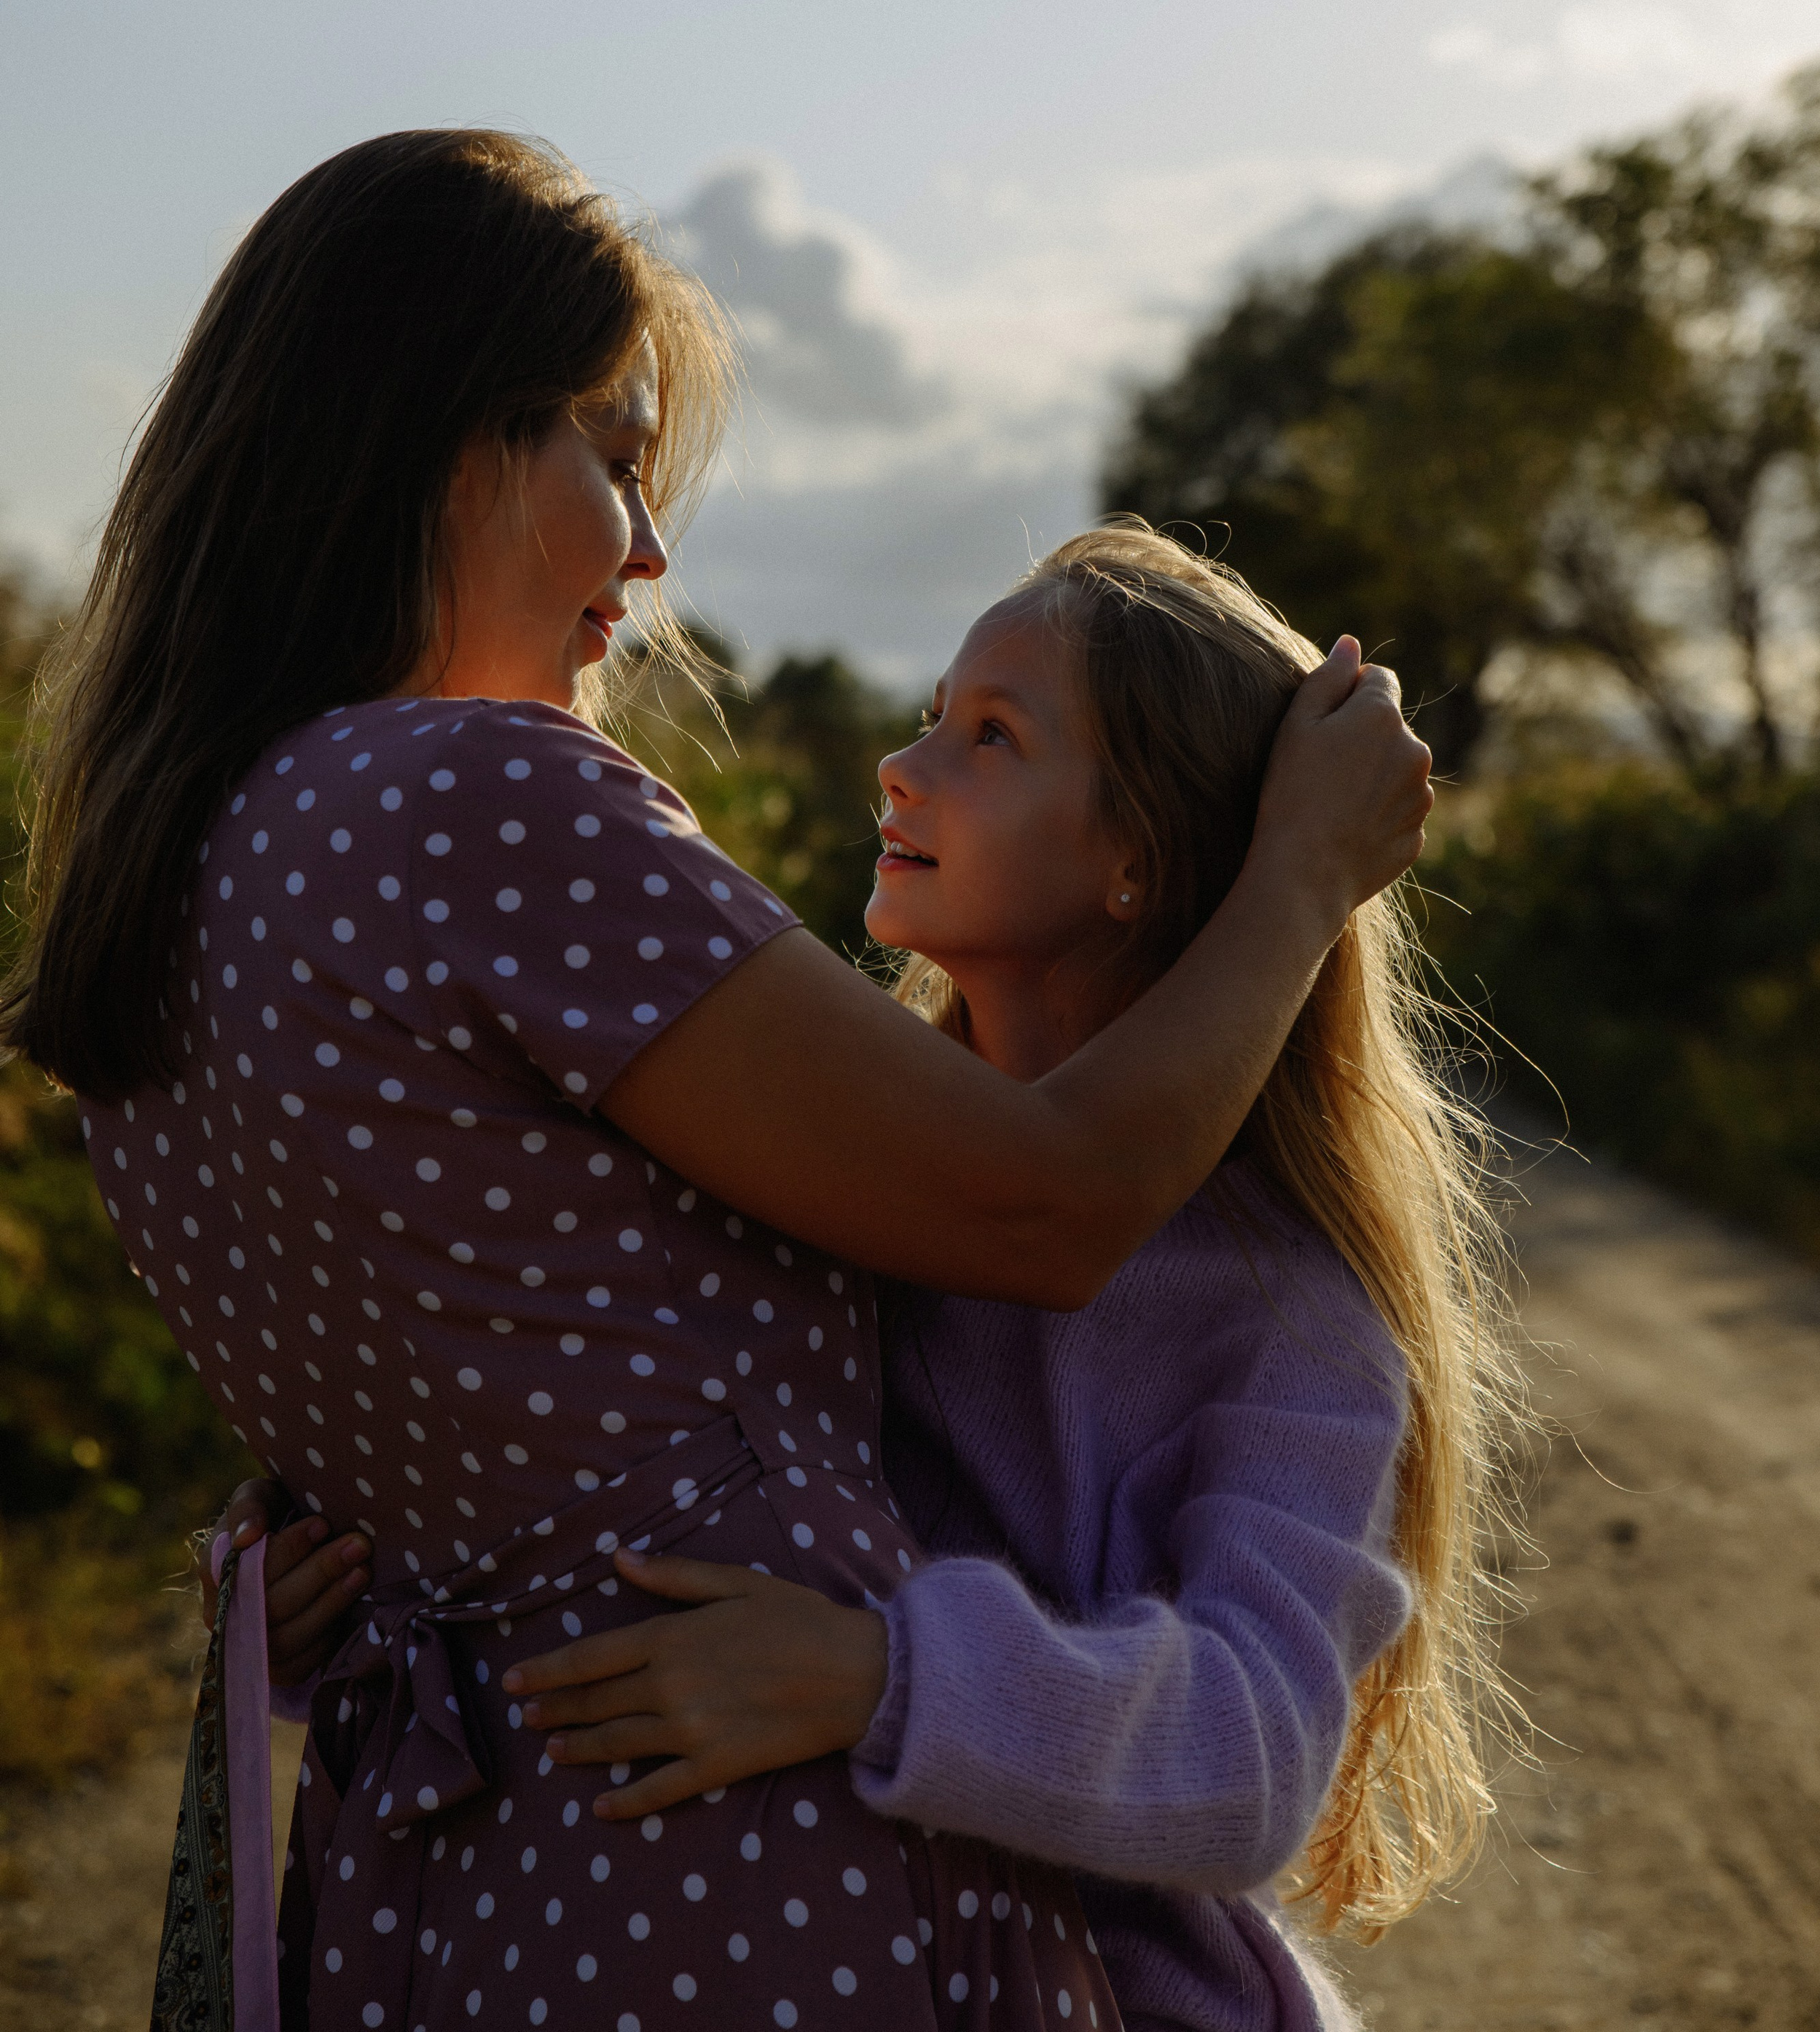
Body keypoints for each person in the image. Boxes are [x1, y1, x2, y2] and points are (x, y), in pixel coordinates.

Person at [6, 130, 1431, 2032]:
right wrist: (1305, 878)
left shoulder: (184, 872)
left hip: (457, 1864)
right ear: (436, 433)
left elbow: (497, 1379)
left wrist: (341, 1554)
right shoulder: (469, 792)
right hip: (723, 1881)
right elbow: (1046, 1202)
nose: (647, 545)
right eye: (608, 451)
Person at [224, 526, 1510, 2032]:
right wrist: (328, 1607)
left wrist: (884, 1677)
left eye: (988, 738)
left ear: (1135, 861)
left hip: (1124, 2001)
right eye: (928, 717)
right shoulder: (817, 1174)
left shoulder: (1287, 1321)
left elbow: (1253, 1760)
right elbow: (599, 1471)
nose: (901, 771)